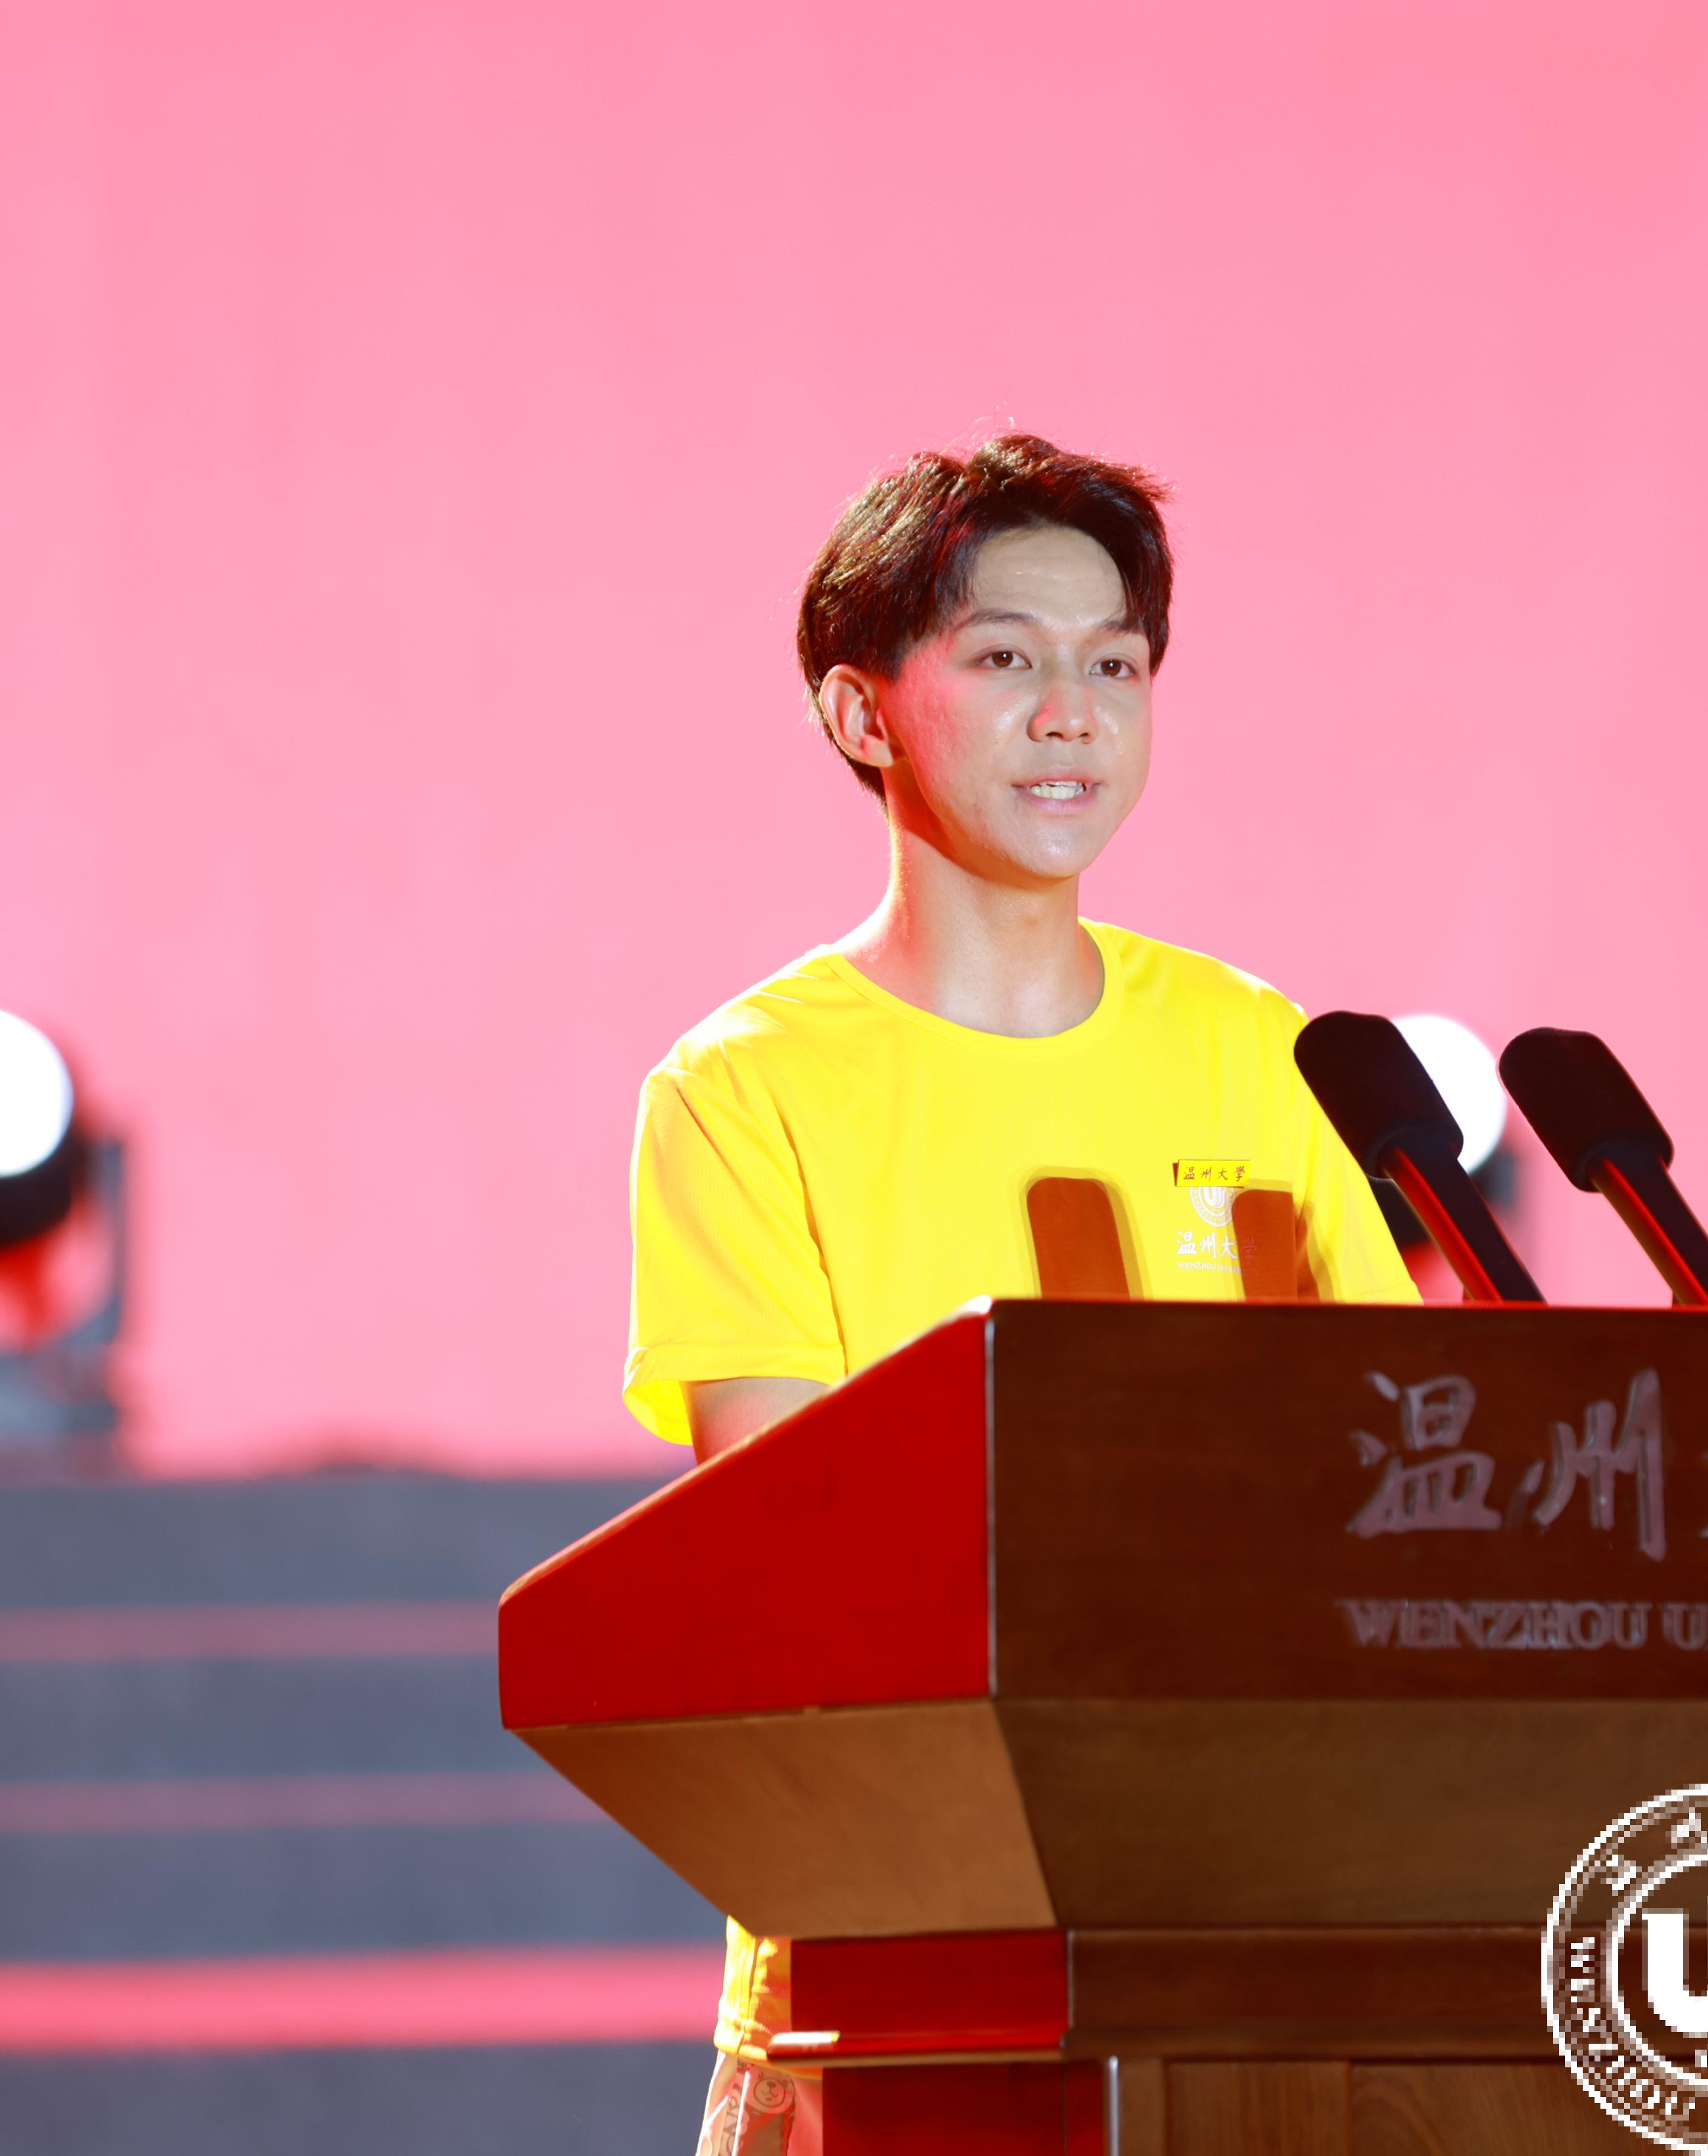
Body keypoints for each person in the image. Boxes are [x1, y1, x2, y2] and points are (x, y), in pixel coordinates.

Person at [622, 435, 1417, 2154]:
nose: (1074, 714)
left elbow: (1400, 1471)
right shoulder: (747, 1089)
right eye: (1006, 658)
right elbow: (785, 1547)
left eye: (1115, 667)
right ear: (861, 713)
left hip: (1255, 1936)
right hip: (899, 1957)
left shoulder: (1261, 1052)